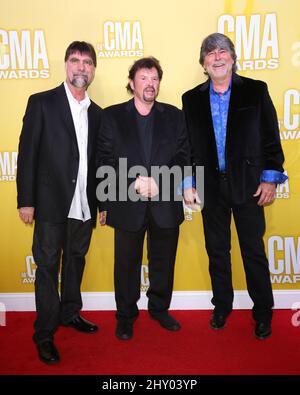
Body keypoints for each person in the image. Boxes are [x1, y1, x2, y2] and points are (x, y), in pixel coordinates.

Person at [182, 33, 287, 340]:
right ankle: (222, 305)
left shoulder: (255, 91)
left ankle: (263, 312)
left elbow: (271, 136)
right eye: (211, 53)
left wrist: (270, 177)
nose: (217, 56)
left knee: (253, 251)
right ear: (203, 62)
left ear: (232, 57)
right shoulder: (191, 99)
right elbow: (186, 144)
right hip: (210, 189)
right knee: (217, 251)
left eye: (223, 51)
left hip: (250, 186)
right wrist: (189, 181)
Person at [17, 41, 102, 364]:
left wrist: (101, 202)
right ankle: (44, 333)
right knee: (48, 267)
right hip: (50, 202)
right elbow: (27, 155)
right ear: (66, 65)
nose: (81, 67)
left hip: (84, 202)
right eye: (75, 61)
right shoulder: (42, 103)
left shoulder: (97, 113)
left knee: (76, 261)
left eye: (87, 63)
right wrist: (26, 200)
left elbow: (98, 162)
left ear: (94, 69)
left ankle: (70, 313)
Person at [97, 57, 190, 340]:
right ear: (131, 83)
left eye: (155, 79)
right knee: (126, 263)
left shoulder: (175, 115)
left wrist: (160, 183)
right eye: (144, 78)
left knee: (163, 260)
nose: (150, 84)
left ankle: (159, 308)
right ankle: (125, 315)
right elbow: (103, 160)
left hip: (165, 203)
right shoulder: (112, 116)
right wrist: (133, 183)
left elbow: (185, 156)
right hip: (127, 203)